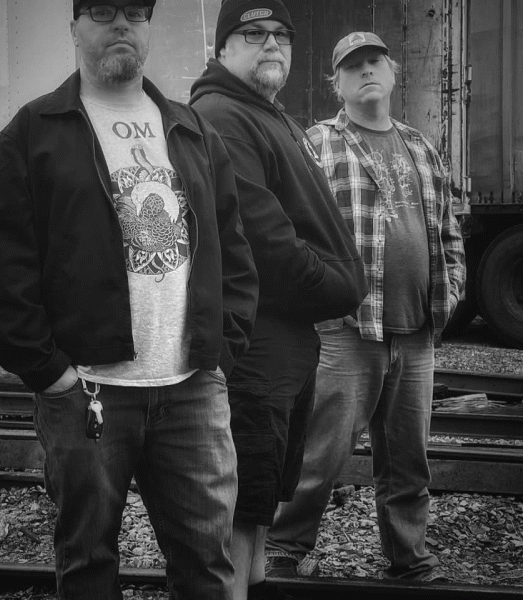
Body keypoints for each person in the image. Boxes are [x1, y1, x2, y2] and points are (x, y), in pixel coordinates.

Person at [0, 1, 260, 598]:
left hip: (192, 390)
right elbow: (4, 270)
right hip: (87, 394)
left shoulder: (191, 128)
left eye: (135, 11)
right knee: (87, 566)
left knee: (207, 569)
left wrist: (221, 354)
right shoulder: (33, 132)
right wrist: (52, 375)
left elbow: (233, 250)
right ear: (74, 27)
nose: (122, 24)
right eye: (103, 11)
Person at [265, 31, 466, 582]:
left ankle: (409, 558)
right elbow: (290, 229)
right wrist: (321, 298)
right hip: (348, 327)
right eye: (353, 67)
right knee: (320, 455)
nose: (366, 71)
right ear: (337, 83)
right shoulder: (317, 144)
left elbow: (448, 231)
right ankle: (283, 548)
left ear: (393, 72)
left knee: (408, 461)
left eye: (375, 61)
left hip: (416, 330)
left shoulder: (421, 146)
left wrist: (450, 290)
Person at [189, 4, 368, 599]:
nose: (271, 45)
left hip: (285, 346)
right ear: (222, 49)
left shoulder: (269, 116)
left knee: (260, 507)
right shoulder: (222, 117)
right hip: (256, 348)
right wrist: (343, 285)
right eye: (253, 34)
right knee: (242, 509)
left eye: (281, 36)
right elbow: (264, 243)